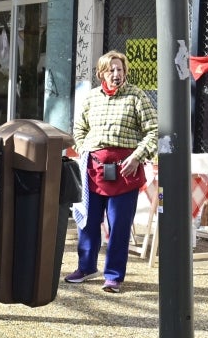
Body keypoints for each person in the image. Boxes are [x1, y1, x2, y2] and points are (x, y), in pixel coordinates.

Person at [66, 50, 157, 293]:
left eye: (120, 69)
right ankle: (86, 267)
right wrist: (84, 150)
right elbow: (79, 129)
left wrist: (137, 157)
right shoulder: (91, 98)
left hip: (125, 172)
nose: (116, 74)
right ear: (101, 74)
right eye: (111, 70)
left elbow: (154, 131)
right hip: (93, 171)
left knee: (119, 226)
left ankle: (114, 276)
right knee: (88, 221)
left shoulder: (136, 96)